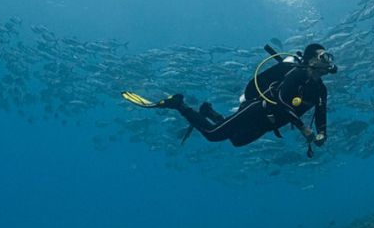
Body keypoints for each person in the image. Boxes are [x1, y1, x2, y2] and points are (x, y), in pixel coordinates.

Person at [123, 43, 336, 149]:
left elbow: (321, 112)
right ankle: (179, 105)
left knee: (236, 140)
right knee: (214, 135)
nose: (327, 61)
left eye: (328, 57)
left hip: (269, 123)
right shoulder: (296, 74)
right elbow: (281, 101)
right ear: (310, 60)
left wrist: (322, 133)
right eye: (323, 56)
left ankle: (209, 112)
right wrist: (303, 128)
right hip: (258, 109)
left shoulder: (320, 89)